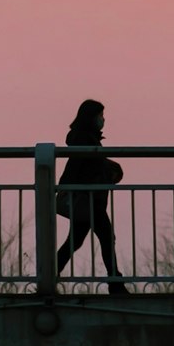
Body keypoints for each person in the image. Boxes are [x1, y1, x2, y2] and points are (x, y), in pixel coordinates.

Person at [56, 99, 129, 294]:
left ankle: (50, 273)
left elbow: (83, 164)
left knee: (76, 241)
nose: (103, 120)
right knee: (105, 236)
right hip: (90, 199)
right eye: (100, 116)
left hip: (90, 198)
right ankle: (115, 282)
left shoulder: (86, 138)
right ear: (92, 118)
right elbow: (80, 165)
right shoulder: (84, 139)